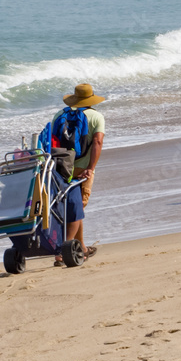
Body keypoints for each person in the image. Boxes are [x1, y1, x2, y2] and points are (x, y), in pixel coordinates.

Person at [51, 84, 105, 265]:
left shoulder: (60, 115)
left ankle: (81, 247)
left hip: (59, 169)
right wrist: (91, 167)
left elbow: (52, 141)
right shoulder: (96, 116)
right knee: (76, 209)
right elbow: (97, 142)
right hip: (82, 170)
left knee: (70, 209)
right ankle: (62, 251)